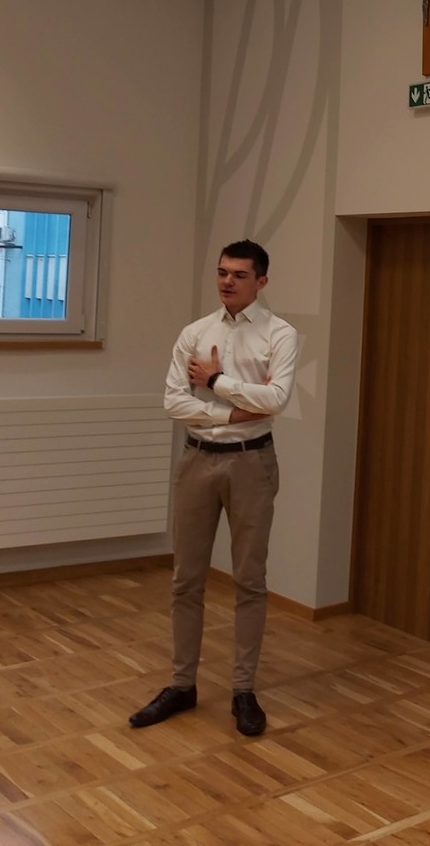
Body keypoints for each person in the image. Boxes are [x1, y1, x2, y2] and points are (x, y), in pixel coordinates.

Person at [129, 239, 298, 737]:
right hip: (197, 460)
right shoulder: (195, 332)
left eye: (239, 275)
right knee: (186, 579)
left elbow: (276, 398)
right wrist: (233, 411)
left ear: (261, 281)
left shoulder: (280, 334)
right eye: (222, 272)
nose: (227, 281)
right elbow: (173, 402)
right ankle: (182, 684)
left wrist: (217, 380)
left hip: (252, 464)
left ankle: (243, 691)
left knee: (249, 580)